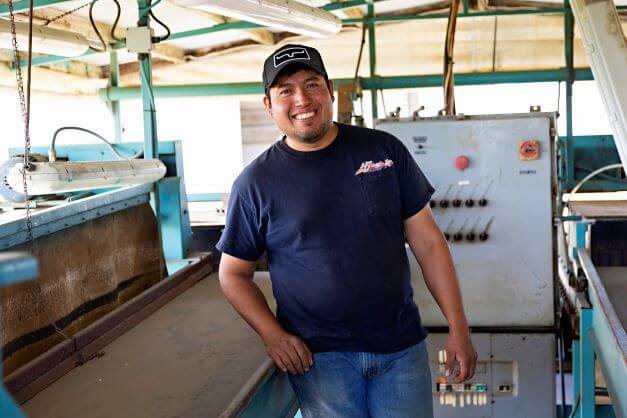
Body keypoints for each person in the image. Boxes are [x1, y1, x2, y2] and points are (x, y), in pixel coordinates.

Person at [216, 44, 477, 418]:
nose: (301, 99)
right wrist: (272, 334)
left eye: (311, 84)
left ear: (330, 89)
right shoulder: (256, 183)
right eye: (285, 91)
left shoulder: (384, 150)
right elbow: (233, 274)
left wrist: (458, 327)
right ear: (268, 105)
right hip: (320, 360)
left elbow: (429, 243)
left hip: (400, 349)